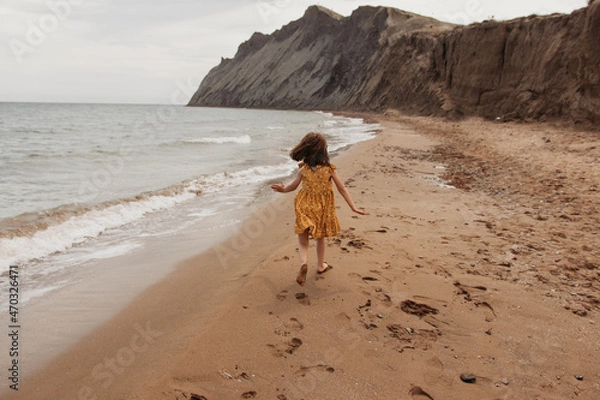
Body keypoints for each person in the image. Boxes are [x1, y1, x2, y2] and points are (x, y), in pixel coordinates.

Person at [270, 132, 367, 286]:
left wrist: (282, 190)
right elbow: (342, 188)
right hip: (321, 208)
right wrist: (353, 207)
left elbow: (292, 187)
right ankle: (321, 266)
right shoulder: (329, 169)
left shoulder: (304, 170)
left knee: (303, 239)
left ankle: (304, 263)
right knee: (320, 237)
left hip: (303, 205)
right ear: (323, 150)